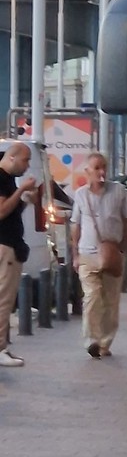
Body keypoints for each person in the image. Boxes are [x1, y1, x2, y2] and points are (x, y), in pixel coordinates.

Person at [70, 152, 127, 359]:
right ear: (87, 171)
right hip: (87, 254)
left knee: (111, 301)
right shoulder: (80, 195)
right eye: (96, 168)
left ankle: (105, 343)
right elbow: (76, 226)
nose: (101, 172)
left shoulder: (119, 191)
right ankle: (91, 340)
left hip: (112, 253)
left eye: (104, 167)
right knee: (92, 295)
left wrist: (122, 249)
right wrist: (75, 255)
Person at [0, 143, 38, 367]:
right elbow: (1, 211)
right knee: (3, 300)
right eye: (25, 160)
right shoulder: (2, 178)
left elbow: (11, 210)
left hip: (11, 244)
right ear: (12, 158)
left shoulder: (8, 179)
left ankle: (3, 346)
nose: (27, 165)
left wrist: (23, 201)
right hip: (5, 246)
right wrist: (21, 189)